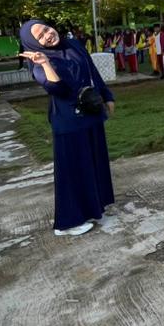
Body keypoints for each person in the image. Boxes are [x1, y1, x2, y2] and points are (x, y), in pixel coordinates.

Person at [18, 19, 116, 237]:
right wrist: (45, 63)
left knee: (93, 164)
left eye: (46, 29)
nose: (47, 35)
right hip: (69, 121)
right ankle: (68, 223)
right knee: (72, 172)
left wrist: (107, 95)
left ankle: (92, 209)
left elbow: (92, 71)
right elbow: (58, 89)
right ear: (34, 44)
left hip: (91, 113)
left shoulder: (73, 45)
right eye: (40, 37)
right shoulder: (38, 63)